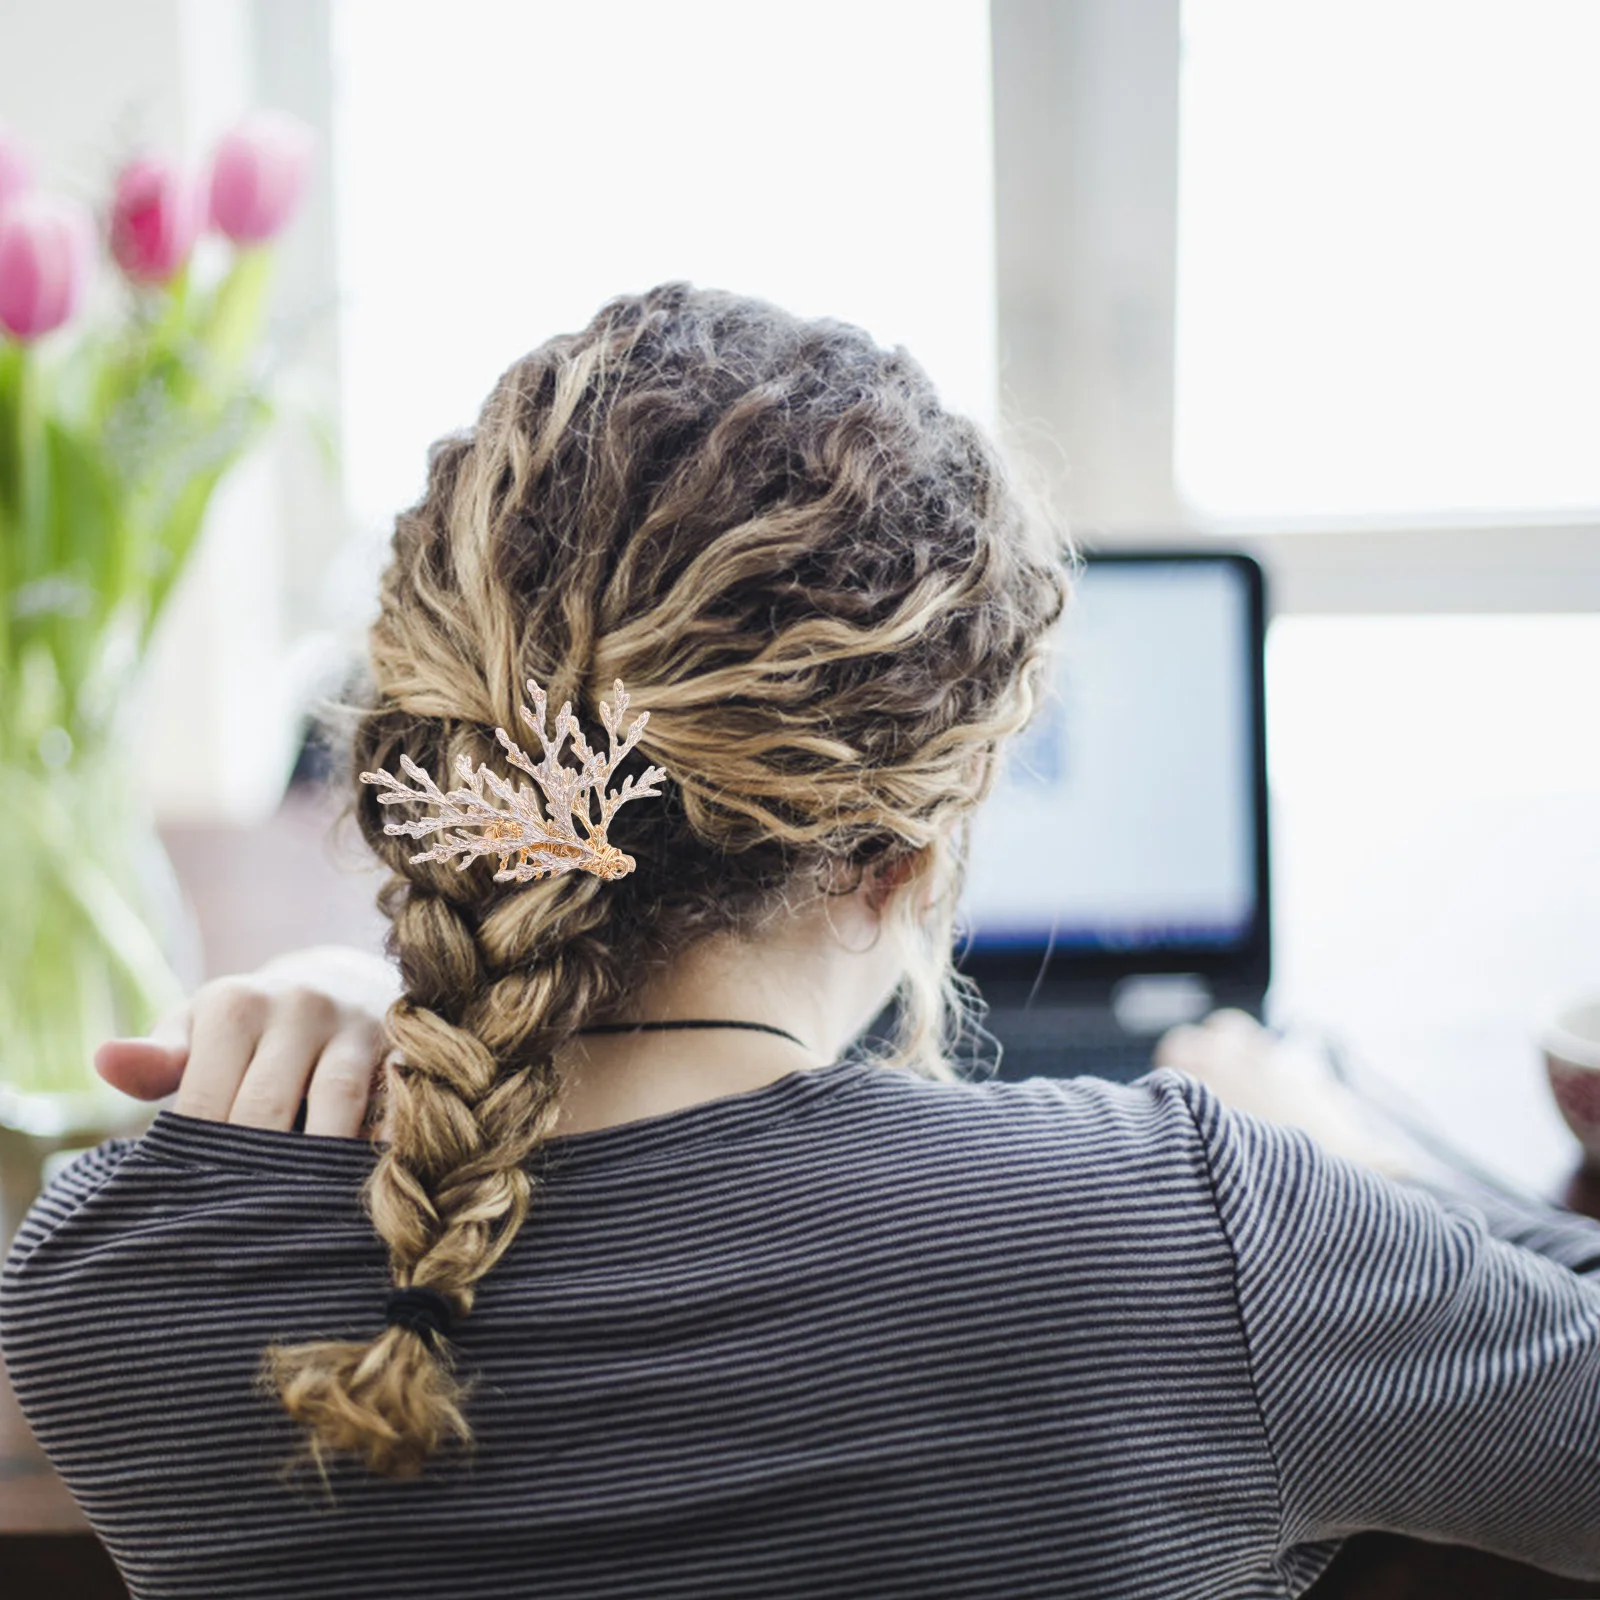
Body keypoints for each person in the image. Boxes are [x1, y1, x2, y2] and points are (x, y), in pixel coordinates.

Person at [3, 283, 1599, 1600]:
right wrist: (1341, 1169)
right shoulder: (1180, 1238)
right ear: (910, 855)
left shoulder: (108, 1278)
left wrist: (403, 1000)